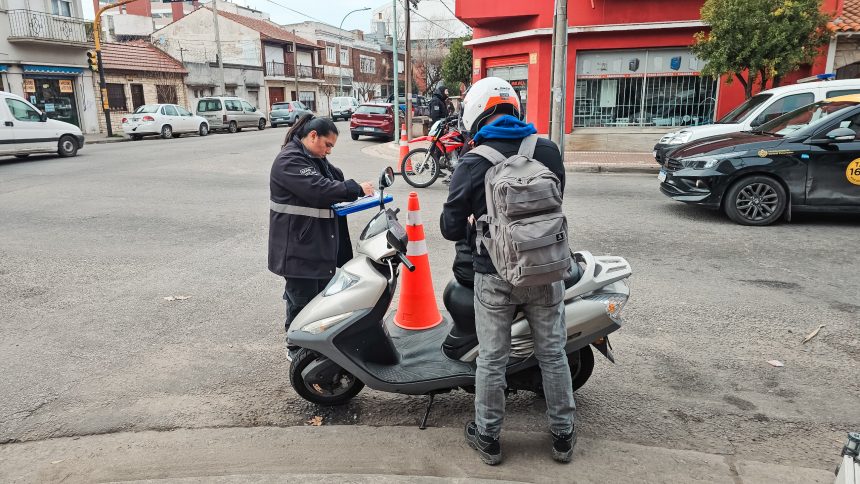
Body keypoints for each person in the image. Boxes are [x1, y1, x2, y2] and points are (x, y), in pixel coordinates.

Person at [440, 77, 575, 465]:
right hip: (547, 270)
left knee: (492, 359)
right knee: (552, 354)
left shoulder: (473, 160)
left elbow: (450, 228)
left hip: (494, 274)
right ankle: (563, 437)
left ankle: (488, 437)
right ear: (515, 109)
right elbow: (556, 202)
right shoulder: (547, 150)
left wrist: (477, 225)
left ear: (477, 113)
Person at [268, 114, 373, 334]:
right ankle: (296, 347)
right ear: (313, 136)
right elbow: (319, 190)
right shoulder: (289, 160)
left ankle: (314, 344)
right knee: (301, 303)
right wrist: (355, 189)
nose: (329, 151)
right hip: (298, 249)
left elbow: (334, 179)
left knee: (319, 302)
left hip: (316, 246)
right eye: (327, 145)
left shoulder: (312, 157)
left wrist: (331, 168)